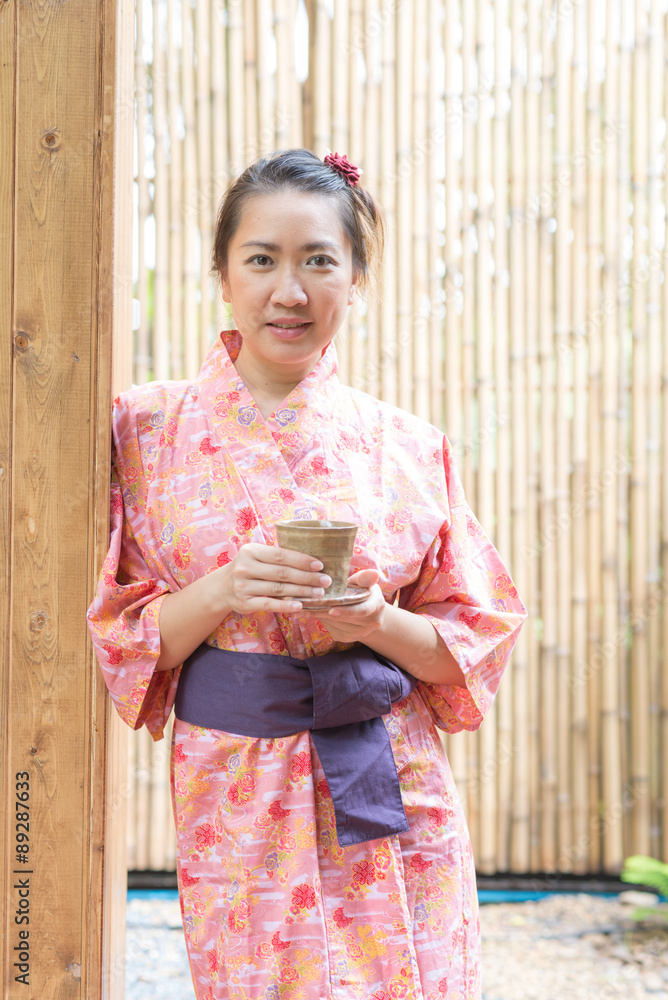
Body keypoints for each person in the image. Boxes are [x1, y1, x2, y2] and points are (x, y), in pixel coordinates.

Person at [87, 147, 527, 1000]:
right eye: (262, 260)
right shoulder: (141, 431)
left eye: (319, 261)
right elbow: (119, 633)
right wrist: (222, 591)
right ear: (222, 274)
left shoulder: (409, 445)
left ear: (355, 278)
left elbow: (472, 643)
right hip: (239, 785)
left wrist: (374, 623)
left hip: (394, 780)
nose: (289, 291)